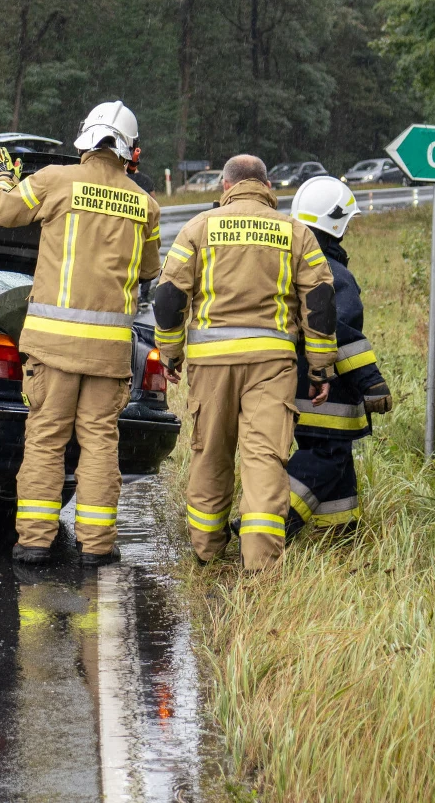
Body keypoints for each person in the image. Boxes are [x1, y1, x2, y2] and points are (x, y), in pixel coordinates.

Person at [0, 100, 162, 567]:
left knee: (45, 439)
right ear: (129, 150)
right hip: (108, 354)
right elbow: (148, 269)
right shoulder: (145, 204)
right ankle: (97, 547)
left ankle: (35, 543)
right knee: (101, 443)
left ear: (85, 139)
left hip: (53, 349)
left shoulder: (54, 181)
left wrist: (3, 177)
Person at [153, 154, 337, 571]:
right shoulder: (295, 232)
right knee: (265, 461)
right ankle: (260, 565)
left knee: (210, 455)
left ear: (225, 186)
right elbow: (321, 302)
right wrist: (321, 366)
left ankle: (207, 551)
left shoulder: (199, 227)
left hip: (211, 367)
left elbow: (167, 298)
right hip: (272, 366)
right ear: (268, 187)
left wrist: (170, 353)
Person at [283, 176, 392, 538]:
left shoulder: (291, 266)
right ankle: (268, 522)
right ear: (337, 224)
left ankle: (340, 531)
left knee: (337, 457)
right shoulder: (334, 274)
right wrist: (371, 381)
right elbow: (337, 330)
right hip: (325, 390)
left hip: (291, 383)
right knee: (326, 456)